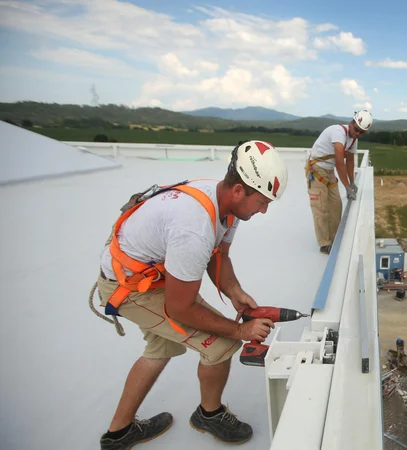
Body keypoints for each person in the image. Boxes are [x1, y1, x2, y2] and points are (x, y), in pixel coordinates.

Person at [92, 140, 289, 449]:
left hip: (149, 277)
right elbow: (180, 307)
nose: (263, 210)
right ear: (239, 190)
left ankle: (119, 434)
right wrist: (240, 330)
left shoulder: (222, 202)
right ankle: (208, 415)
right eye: (262, 202)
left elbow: (217, 254)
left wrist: (234, 291)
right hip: (131, 289)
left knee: (159, 349)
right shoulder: (193, 227)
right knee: (222, 345)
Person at [306, 110, 373, 254]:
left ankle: (334, 239)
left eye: (361, 132)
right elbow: (339, 162)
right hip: (317, 170)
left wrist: (352, 181)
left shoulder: (353, 140)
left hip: (329, 172)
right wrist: (347, 187)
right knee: (321, 208)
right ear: (352, 123)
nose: (357, 134)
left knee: (336, 206)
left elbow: (349, 161)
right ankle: (324, 244)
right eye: (356, 130)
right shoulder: (338, 133)